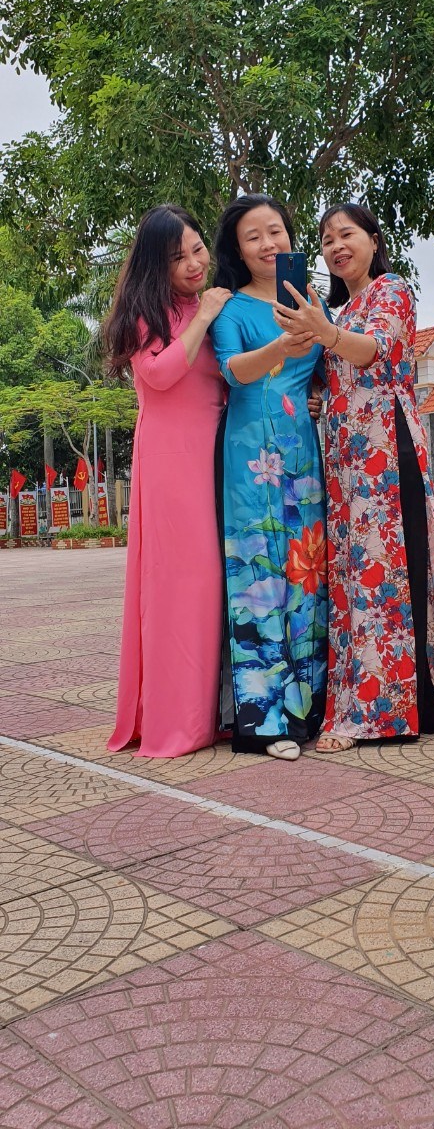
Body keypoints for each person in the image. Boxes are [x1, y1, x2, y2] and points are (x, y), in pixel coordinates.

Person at [273, 203, 434, 751]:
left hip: (385, 453)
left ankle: (383, 711)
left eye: (346, 234)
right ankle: (404, 704)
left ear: (373, 240)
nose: (336, 246)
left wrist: (325, 333)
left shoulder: (391, 290)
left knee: (386, 574)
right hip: (345, 463)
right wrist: (320, 392)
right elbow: (334, 375)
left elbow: (374, 350)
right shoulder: (338, 310)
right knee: (353, 578)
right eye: (327, 240)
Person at [104, 204, 231, 757]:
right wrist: (203, 318)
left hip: (220, 454)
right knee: (182, 583)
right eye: (179, 257)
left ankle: (218, 712)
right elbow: (157, 375)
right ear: (158, 264)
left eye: (198, 248)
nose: (194, 263)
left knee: (219, 580)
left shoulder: (219, 304)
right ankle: (176, 720)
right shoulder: (146, 313)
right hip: (170, 461)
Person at [210, 194, 328, 760]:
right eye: (253, 236)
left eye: (275, 231)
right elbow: (233, 371)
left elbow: (326, 368)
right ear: (238, 250)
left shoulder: (311, 302)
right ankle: (265, 721)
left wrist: (316, 392)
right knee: (257, 570)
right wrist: (281, 344)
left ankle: (310, 709)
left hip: (301, 448)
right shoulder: (231, 309)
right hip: (249, 453)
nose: (267, 243)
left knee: (306, 568)